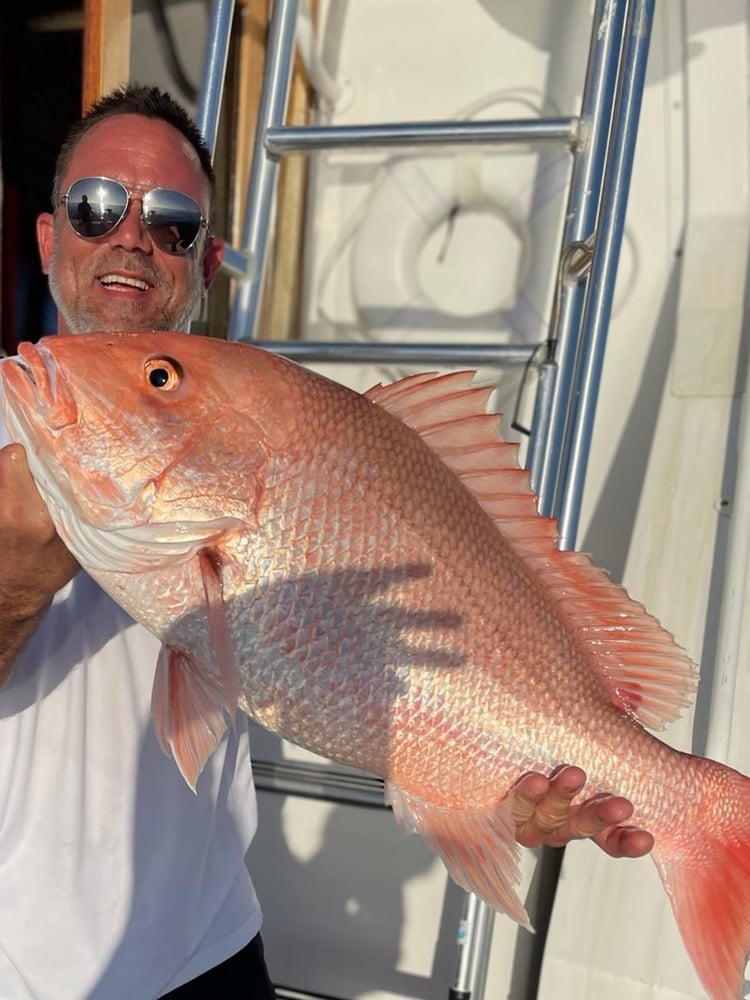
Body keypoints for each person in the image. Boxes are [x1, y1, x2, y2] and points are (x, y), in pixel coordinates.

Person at [0, 84, 652, 1000]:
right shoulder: (36, 405)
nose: (131, 237)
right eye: (96, 206)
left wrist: (504, 779)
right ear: (47, 236)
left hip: (216, 953)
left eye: (174, 221)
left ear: (209, 260)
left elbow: (415, 681)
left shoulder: (270, 424)